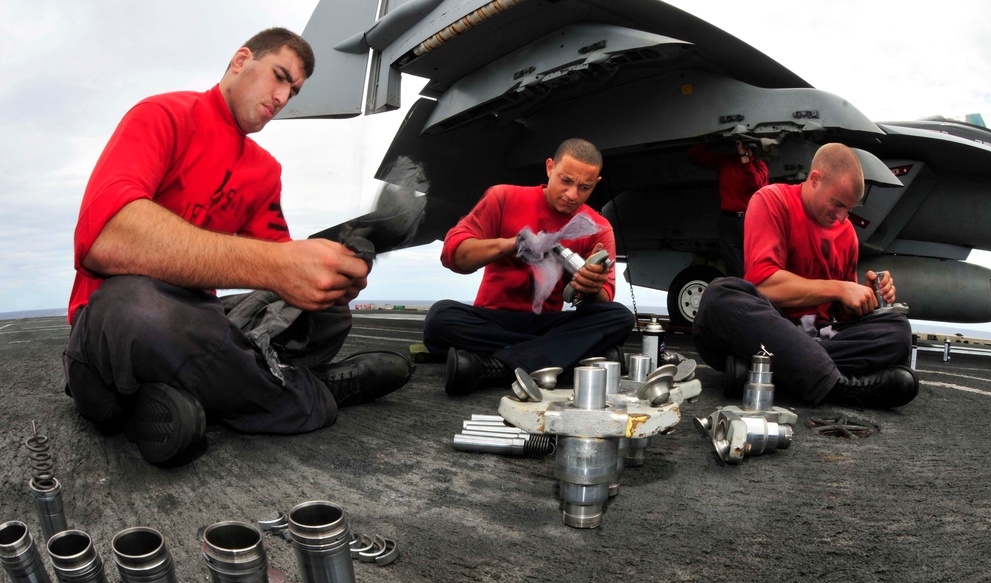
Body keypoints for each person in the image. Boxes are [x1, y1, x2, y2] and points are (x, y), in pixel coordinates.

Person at [64, 28, 412, 465]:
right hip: (120, 324)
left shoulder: (265, 170)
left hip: (201, 326)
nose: (283, 97)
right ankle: (309, 392)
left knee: (326, 312)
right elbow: (106, 237)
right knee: (134, 306)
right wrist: (276, 266)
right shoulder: (161, 114)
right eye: (279, 76)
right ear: (240, 59)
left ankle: (193, 395)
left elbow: (278, 273)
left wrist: (341, 263)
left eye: (294, 91)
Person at [691, 143, 918, 409]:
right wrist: (840, 288)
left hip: (815, 337)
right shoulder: (771, 200)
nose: (842, 217)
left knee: (898, 330)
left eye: (848, 209)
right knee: (719, 295)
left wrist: (864, 302)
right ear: (815, 180)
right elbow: (764, 285)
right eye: (837, 204)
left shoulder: (846, 235)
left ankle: (760, 372)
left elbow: (839, 314)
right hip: (766, 331)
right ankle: (838, 385)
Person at [423, 138, 636, 395]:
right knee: (439, 318)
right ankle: (560, 356)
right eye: (566, 181)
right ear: (549, 168)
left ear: (596, 184)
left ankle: (497, 365)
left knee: (620, 317)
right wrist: (510, 244)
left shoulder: (599, 228)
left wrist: (591, 287)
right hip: (493, 320)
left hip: (546, 322)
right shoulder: (503, 197)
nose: (572, 195)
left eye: (584, 187)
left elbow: (605, 299)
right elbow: (453, 256)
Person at [687, 139, 769, 277]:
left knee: (755, 267)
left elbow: (754, 184)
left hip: (750, 221)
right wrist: (716, 138)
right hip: (728, 221)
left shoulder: (760, 166)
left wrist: (745, 158)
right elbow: (695, 153)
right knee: (735, 269)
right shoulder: (726, 161)